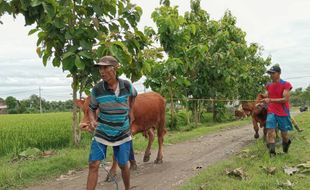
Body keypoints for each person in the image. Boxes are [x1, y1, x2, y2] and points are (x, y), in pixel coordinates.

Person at [86, 56, 137, 190]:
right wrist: (92, 120)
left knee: (123, 164)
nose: (102, 71)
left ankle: (127, 188)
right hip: (103, 131)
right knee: (93, 164)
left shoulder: (126, 85)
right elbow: (91, 108)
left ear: (115, 68)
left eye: (105, 67)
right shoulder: (97, 89)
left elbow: (134, 95)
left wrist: (130, 111)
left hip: (122, 131)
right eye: (100, 68)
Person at [262, 64, 293, 156]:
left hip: (283, 112)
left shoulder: (286, 84)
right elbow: (268, 96)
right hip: (271, 111)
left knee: (284, 135)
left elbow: (285, 99)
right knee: (270, 131)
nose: (271, 75)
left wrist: (270, 100)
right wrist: (263, 101)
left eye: (273, 73)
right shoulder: (268, 85)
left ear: (279, 73)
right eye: (270, 73)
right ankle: (272, 154)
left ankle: (286, 147)